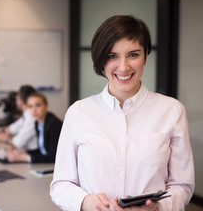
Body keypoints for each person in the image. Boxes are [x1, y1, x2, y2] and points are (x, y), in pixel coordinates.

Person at [50, 15, 195, 211]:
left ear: (145, 55)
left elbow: (182, 185)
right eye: (112, 56)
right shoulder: (79, 113)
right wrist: (86, 202)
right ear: (101, 60)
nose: (124, 66)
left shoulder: (172, 111)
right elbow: (60, 185)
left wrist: (158, 207)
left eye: (133, 54)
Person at [6, 92, 62, 163]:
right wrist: (22, 153)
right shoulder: (37, 123)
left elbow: (53, 157)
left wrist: (24, 157)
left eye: (38, 105)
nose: (34, 110)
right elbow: (43, 150)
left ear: (46, 106)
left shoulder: (54, 124)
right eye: (30, 106)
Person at [0, 85, 37, 151]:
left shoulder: (32, 116)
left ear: (21, 102)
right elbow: (13, 128)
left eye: (17, 98)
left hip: (30, 153)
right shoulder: (27, 114)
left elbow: (18, 142)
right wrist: (0, 132)